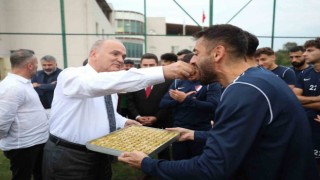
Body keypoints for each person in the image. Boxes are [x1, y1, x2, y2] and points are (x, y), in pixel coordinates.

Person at [118, 24, 319, 180]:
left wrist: (147, 164)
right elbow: (246, 136)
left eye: (196, 53)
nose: (193, 61)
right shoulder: (257, 80)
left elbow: (211, 168)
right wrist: (194, 134)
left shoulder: (245, 90)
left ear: (217, 53)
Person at [42, 39, 196, 180]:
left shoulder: (110, 81)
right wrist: (161, 71)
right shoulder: (72, 75)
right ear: (93, 54)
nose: (121, 59)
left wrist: (124, 121)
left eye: (123, 56)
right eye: (115, 53)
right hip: (69, 155)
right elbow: (94, 84)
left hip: (101, 152)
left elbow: (103, 112)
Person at [160, 53, 221, 160]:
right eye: (188, 69)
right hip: (178, 130)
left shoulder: (211, 83)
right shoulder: (177, 82)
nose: (190, 72)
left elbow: (213, 106)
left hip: (199, 131)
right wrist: (179, 101)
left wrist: (187, 100)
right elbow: (163, 104)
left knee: (199, 164)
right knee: (178, 163)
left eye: (194, 68)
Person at [0, 49, 48, 180]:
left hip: (34, 143)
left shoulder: (24, 84)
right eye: (37, 65)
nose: (37, 68)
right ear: (30, 66)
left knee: (41, 175)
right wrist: (10, 140)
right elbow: (2, 122)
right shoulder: (12, 87)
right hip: (23, 146)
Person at [127, 53, 172, 161]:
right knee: (141, 151)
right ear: (140, 65)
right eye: (145, 65)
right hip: (139, 123)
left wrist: (156, 117)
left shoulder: (168, 81)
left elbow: (169, 102)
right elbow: (130, 101)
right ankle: (144, 171)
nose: (148, 68)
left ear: (157, 65)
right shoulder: (132, 81)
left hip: (161, 122)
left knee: (163, 151)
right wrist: (137, 116)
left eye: (151, 65)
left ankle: (163, 172)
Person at [293, 37, 320, 171]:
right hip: (306, 124)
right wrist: (316, 99)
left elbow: (298, 100)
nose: (304, 54)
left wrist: (302, 101)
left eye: (310, 50)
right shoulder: (305, 73)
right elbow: (294, 98)